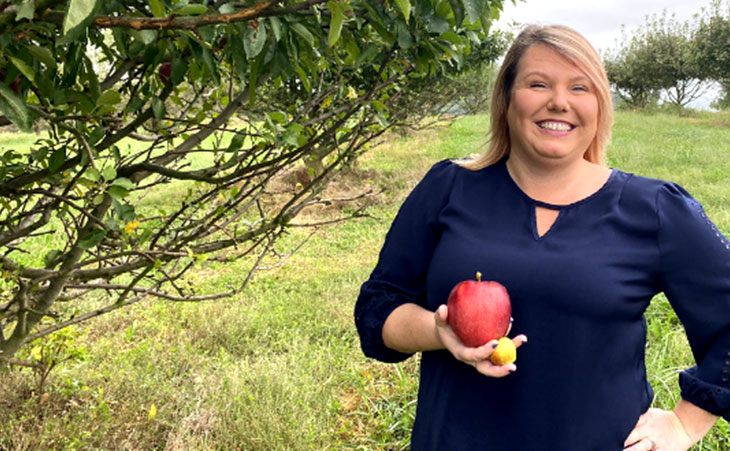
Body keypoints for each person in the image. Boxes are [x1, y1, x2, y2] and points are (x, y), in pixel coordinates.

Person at [354, 24, 730, 450]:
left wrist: (686, 424)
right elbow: (378, 308)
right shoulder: (449, 188)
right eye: (538, 83)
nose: (559, 101)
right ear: (507, 98)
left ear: (600, 106)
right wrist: (439, 333)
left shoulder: (655, 208)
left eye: (580, 88)